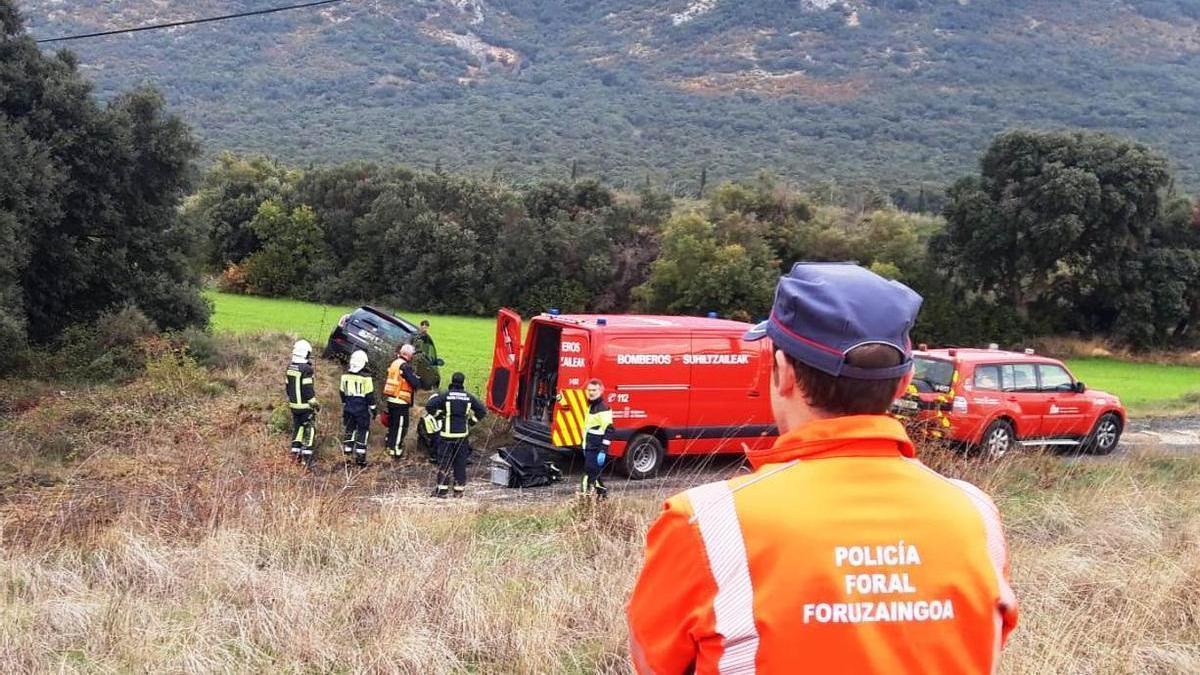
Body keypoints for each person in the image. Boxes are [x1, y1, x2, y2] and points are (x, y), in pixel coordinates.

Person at [627, 263, 1018, 674]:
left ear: (784, 373)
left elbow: (652, 662)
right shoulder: (977, 516)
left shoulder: (705, 524)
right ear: (903, 384)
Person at [426, 371, 486, 498]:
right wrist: (471, 421)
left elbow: (429, 406)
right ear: (462, 382)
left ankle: (442, 491)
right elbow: (482, 411)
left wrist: (439, 416)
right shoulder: (468, 397)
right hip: (462, 436)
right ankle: (458, 491)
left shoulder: (445, 396)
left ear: (452, 381)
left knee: (444, 462)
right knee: (460, 463)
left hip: (446, 435)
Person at [560, 378, 613, 497]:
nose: (591, 392)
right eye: (589, 390)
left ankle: (584, 497)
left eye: (594, 390)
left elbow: (609, 430)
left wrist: (603, 450)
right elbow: (571, 411)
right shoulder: (590, 406)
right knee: (595, 474)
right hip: (588, 446)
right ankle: (601, 497)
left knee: (589, 473)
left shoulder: (603, 408)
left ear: (601, 391)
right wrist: (561, 400)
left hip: (596, 448)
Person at [383, 343, 423, 460]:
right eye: (412, 355)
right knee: (401, 426)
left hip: (391, 398)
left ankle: (389, 447)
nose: (412, 357)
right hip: (400, 400)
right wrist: (417, 379)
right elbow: (415, 383)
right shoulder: (405, 366)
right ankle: (396, 451)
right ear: (408, 354)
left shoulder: (395, 363)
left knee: (392, 425)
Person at [285, 339, 319, 468]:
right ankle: (307, 459)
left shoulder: (290, 367)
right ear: (305, 353)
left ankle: (295, 454)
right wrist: (314, 403)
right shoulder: (307, 369)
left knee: (297, 429)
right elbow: (307, 389)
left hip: (294, 406)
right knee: (309, 430)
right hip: (305, 407)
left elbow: (288, 388)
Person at [339, 349, 376, 468]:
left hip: (349, 407)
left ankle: (347, 456)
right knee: (362, 432)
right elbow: (370, 396)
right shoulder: (366, 378)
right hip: (361, 409)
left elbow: (342, 393)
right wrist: (374, 409)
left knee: (349, 430)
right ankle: (360, 459)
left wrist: (345, 403)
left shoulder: (344, 376)